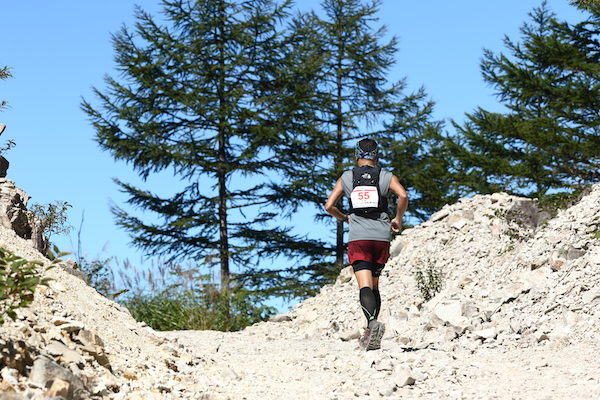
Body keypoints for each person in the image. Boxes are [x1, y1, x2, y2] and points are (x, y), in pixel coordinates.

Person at [324, 138, 408, 351]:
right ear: (377, 157)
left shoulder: (347, 177)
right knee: (375, 285)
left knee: (364, 285)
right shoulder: (386, 176)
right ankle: (372, 332)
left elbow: (329, 206)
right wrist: (397, 218)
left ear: (357, 156)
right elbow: (403, 195)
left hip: (359, 237)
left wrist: (344, 218)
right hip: (381, 237)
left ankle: (371, 324)